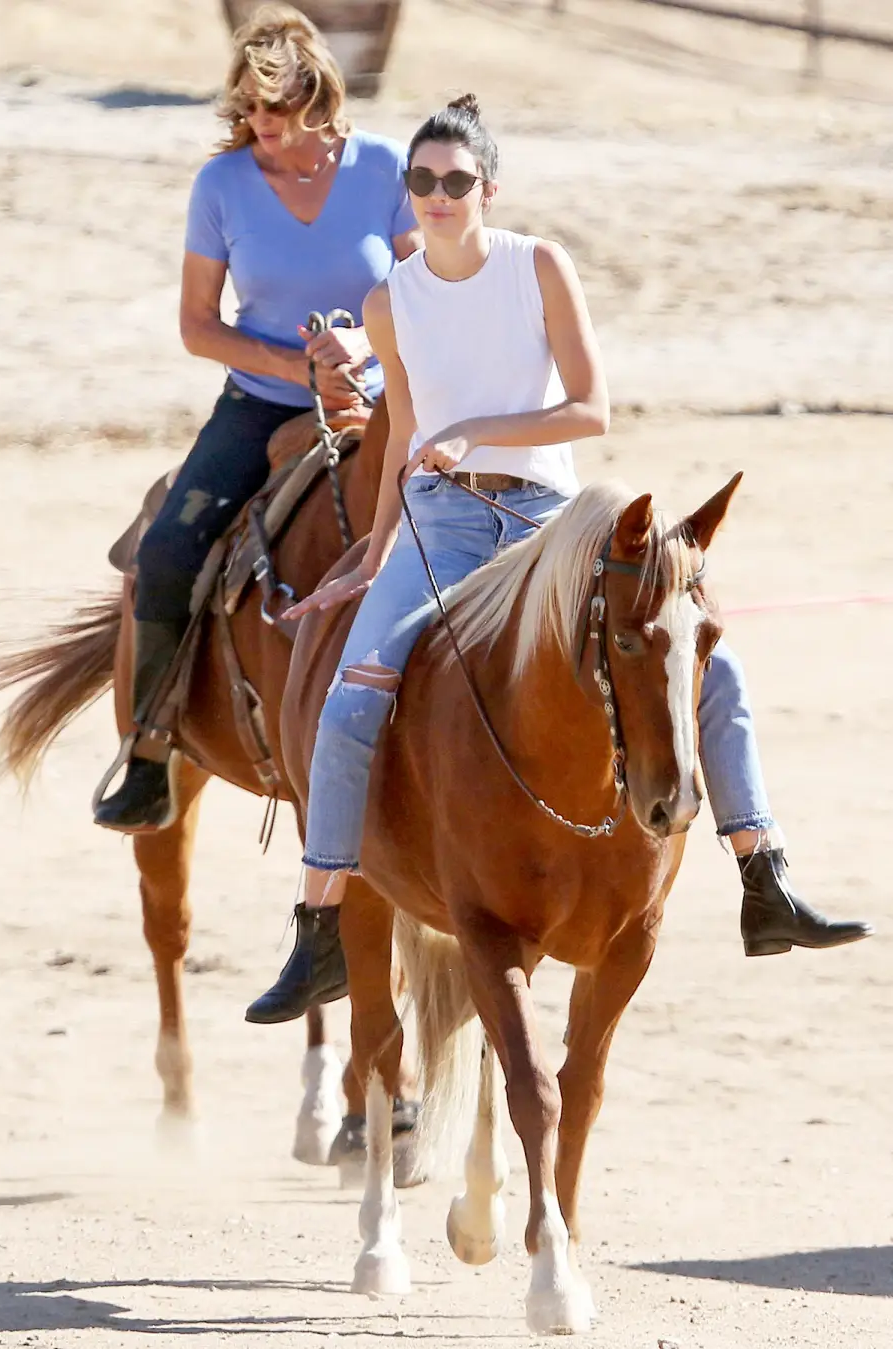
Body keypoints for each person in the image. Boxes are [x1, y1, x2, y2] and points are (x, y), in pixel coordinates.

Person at [245, 94, 872, 1024]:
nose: (438, 195)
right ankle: (320, 928)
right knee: (351, 696)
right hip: (439, 522)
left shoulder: (538, 267)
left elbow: (591, 408)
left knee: (713, 662)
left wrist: (475, 431)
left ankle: (763, 873)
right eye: (422, 181)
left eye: (457, 181)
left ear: (488, 189)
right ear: (407, 192)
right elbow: (406, 429)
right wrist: (372, 553)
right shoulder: (390, 301)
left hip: (550, 517)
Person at [93, 4, 419, 832]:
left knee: (483, 526)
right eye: (245, 110)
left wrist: (357, 346)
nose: (258, 126)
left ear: (319, 97)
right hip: (260, 403)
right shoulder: (222, 185)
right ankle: (148, 748)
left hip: (381, 400)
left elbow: (423, 295)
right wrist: (295, 364)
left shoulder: (383, 170)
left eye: (273, 110)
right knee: (168, 550)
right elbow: (199, 326)